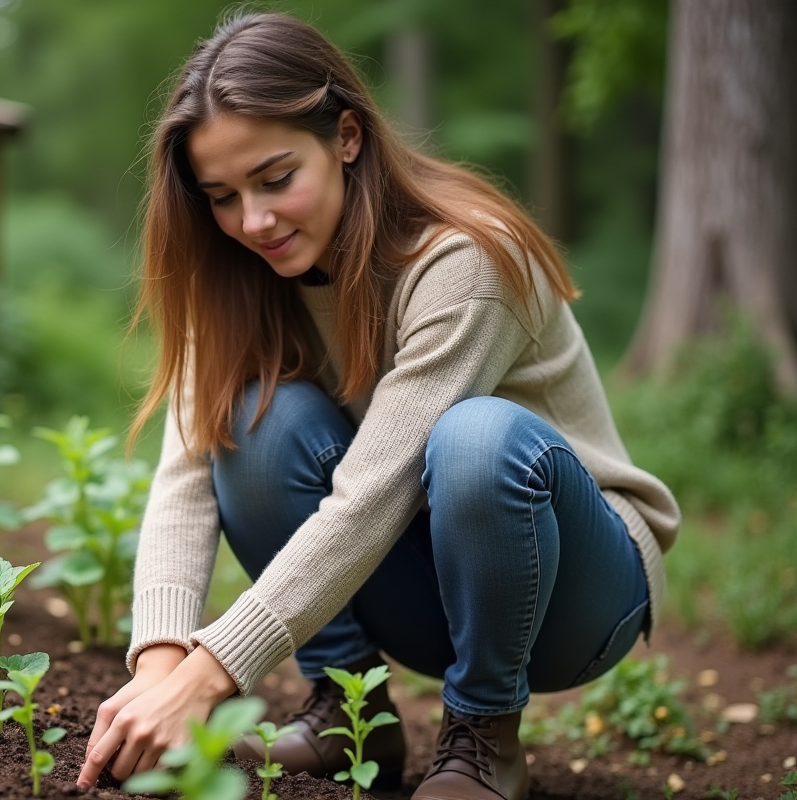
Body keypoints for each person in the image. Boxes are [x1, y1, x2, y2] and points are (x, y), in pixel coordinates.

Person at [77, 11, 680, 800]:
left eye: (275, 177)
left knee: (475, 440)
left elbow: (378, 488)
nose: (252, 221)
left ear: (348, 137)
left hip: (576, 592)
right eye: (221, 196)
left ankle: (483, 737)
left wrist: (210, 674)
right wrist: (158, 666)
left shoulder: (463, 260)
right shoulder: (242, 271)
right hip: (429, 578)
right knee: (251, 421)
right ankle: (350, 717)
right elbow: (187, 471)